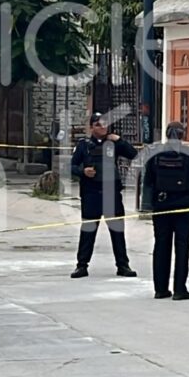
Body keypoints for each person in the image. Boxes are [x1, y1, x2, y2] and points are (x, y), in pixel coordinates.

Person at [69, 112, 139, 279]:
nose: (103, 127)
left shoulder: (113, 143)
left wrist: (120, 140)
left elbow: (133, 154)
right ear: (92, 127)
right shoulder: (84, 145)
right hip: (91, 193)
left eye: (105, 124)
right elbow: (71, 166)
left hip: (111, 194)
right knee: (88, 231)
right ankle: (82, 266)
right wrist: (83, 171)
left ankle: (123, 265)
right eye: (99, 125)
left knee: (117, 231)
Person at [142, 122, 189, 300]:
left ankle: (160, 289)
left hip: (161, 206)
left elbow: (147, 181)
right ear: (182, 135)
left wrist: (148, 206)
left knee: (161, 246)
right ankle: (179, 289)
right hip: (185, 205)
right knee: (182, 247)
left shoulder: (155, 153)